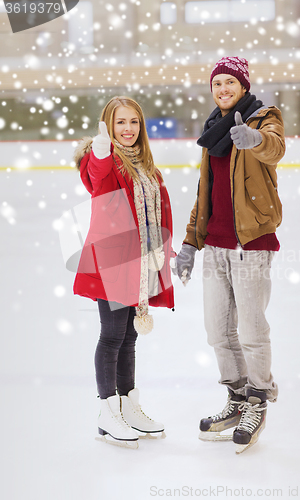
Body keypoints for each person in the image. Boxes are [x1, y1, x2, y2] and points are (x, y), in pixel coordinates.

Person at [173, 57, 285, 454]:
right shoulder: (211, 132)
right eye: (217, 83)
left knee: (252, 330)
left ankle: (257, 400)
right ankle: (236, 398)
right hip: (216, 246)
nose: (223, 89)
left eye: (230, 82)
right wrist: (190, 243)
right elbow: (206, 193)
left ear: (243, 85)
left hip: (251, 243)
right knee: (218, 332)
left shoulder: (262, 118)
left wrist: (256, 141)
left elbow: (275, 146)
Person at [73, 96, 174, 449]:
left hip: (142, 261)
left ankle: (128, 405)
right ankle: (107, 410)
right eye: (120, 123)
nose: (128, 129)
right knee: (112, 335)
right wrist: (100, 152)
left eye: (133, 122)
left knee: (129, 337)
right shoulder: (103, 160)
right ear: (109, 126)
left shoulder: (146, 166)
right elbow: (94, 180)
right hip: (114, 261)